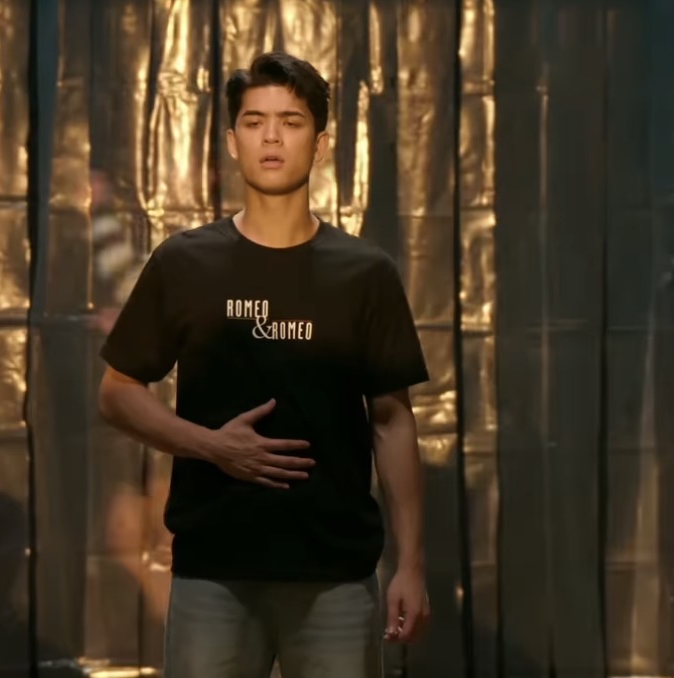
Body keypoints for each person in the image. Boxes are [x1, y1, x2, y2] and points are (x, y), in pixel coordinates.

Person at [96, 51, 432, 677]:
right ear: (232, 141)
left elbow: (391, 419)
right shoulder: (185, 262)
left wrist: (410, 565)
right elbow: (116, 392)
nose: (271, 137)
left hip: (335, 574)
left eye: (291, 121)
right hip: (214, 571)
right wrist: (212, 446)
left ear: (320, 144)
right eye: (254, 122)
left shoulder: (365, 273)